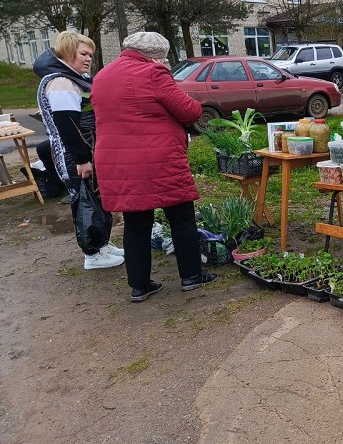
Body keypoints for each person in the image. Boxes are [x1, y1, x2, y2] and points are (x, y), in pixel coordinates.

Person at [91, 32, 217, 302]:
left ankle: (139, 286)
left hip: (117, 161)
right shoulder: (153, 73)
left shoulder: (102, 76)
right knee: (181, 217)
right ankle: (191, 276)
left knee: (136, 223)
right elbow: (189, 112)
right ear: (155, 54)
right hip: (158, 159)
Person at [33, 32, 125, 269]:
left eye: (91, 56)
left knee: (95, 197)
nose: (88, 60)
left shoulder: (75, 78)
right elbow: (67, 124)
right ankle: (92, 254)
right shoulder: (61, 82)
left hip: (87, 149)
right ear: (67, 51)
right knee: (84, 200)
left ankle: (102, 243)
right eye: (83, 54)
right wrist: (82, 159)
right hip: (73, 155)